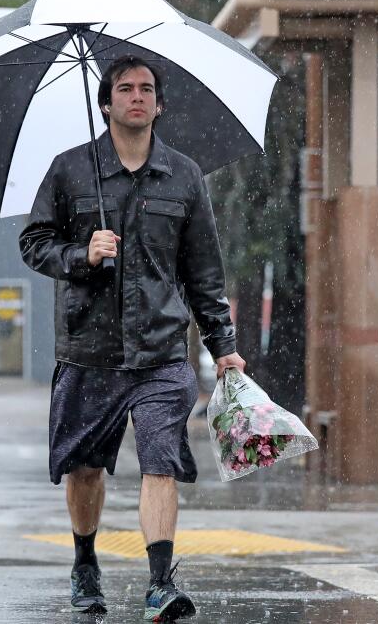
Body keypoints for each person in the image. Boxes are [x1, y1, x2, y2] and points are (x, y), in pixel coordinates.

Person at [19, 55, 244, 621]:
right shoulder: (70, 171)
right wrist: (80, 253)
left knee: (160, 462)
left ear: (159, 105)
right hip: (88, 350)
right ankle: (85, 562)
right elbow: (34, 242)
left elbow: (204, 273)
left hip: (162, 351)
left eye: (147, 89)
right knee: (86, 468)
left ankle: (161, 583)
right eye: (125, 89)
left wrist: (223, 347)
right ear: (106, 103)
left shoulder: (185, 176)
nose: (137, 97)